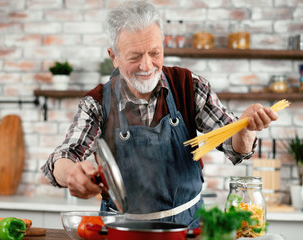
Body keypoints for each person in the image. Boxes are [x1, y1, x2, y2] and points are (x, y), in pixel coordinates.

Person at [41, 1, 278, 228]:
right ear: (114, 56)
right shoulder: (97, 103)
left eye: (155, 52)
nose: (147, 66)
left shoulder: (190, 86)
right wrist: (71, 174)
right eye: (134, 56)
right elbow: (63, 157)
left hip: (187, 227)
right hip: (120, 229)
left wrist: (245, 128)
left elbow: (234, 147)